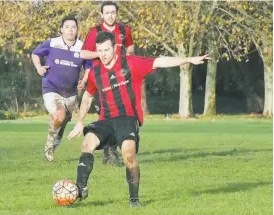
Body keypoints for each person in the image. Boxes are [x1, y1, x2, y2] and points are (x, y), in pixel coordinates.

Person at [67, 31, 211, 207]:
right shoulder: (95, 73)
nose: (103, 54)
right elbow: (88, 96)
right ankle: (81, 188)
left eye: (106, 50)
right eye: (99, 51)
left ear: (115, 48)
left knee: (128, 154)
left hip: (127, 118)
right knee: (86, 144)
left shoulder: (130, 63)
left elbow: (159, 61)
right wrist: (80, 121)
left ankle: (134, 199)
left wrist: (188, 59)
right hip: (106, 119)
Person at [79, 1, 135, 166]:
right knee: (107, 111)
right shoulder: (95, 31)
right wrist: (102, 51)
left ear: (116, 13)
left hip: (119, 75)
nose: (110, 15)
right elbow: (83, 53)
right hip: (100, 77)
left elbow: (130, 47)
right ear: (102, 15)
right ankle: (109, 151)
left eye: (113, 12)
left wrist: (129, 55)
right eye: (107, 12)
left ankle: (110, 150)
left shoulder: (124, 30)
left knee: (120, 110)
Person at [31, 15, 91, 162]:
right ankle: (49, 146)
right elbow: (35, 54)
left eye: (73, 27)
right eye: (67, 27)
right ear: (61, 29)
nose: (70, 30)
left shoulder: (83, 47)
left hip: (70, 93)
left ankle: (53, 143)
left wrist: (84, 79)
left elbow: (89, 66)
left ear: (77, 30)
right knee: (59, 115)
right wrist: (39, 67)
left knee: (62, 123)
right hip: (51, 87)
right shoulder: (52, 43)